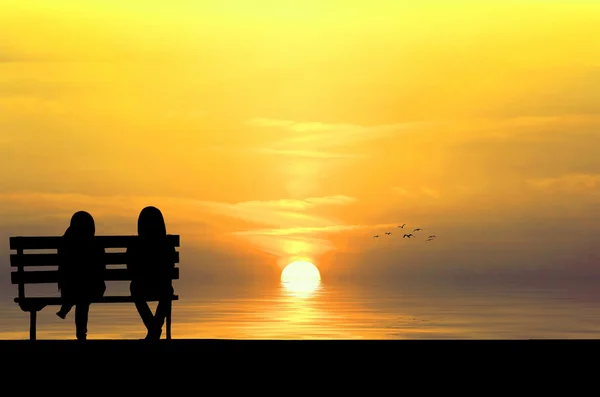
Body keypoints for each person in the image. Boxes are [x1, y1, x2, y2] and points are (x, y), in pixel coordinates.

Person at [127, 206, 175, 340]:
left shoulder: (134, 244)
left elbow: (130, 269)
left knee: (134, 288)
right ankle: (155, 328)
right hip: (161, 285)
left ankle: (153, 329)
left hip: (142, 286)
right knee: (167, 290)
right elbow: (170, 268)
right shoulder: (167, 243)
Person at [56, 211, 106, 340]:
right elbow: (102, 271)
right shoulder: (96, 244)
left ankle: (67, 306)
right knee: (83, 295)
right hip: (92, 289)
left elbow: (63, 270)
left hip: (71, 290)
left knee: (80, 292)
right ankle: (81, 334)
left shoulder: (65, 243)